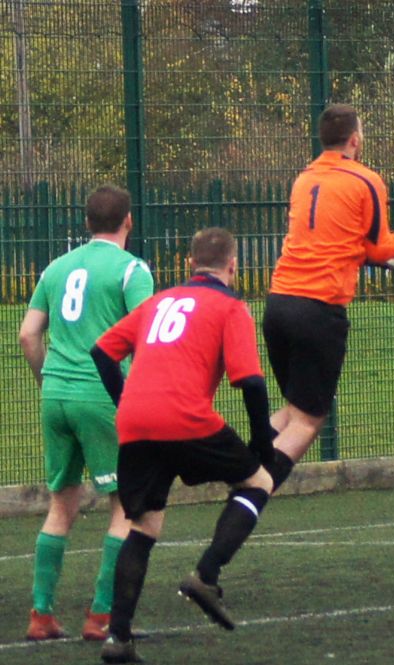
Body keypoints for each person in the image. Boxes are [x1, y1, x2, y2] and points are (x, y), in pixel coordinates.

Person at [90, 227, 275, 664]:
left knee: (143, 527)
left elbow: (101, 352)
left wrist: (128, 403)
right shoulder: (231, 307)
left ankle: (118, 639)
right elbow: (249, 380)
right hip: (185, 416)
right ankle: (206, 575)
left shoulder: (157, 303)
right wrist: (262, 444)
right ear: (233, 266)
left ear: (190, 264)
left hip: (136, 421)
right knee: (257, 483)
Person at [258, 103, 394, 489]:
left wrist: (368, 256)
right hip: (318, 309)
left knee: (294, 412)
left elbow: (336, 243)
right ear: (355, 140)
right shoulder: (365, 179)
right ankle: (254, 486)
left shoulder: (303, 179)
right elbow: (378, 248)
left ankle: (240, 462)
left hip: (278, 304)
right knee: (309, 420)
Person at [18, 185, 154, 641]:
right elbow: (148, 341)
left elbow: (28, 335)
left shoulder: (56, 268)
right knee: (125, 505)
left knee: (61, 505)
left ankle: (41, 615)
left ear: (85, 222)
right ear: (128, 221)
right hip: (102, 397)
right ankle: (100, 616)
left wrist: (48, 381)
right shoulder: (132, 271)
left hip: (55, 394)